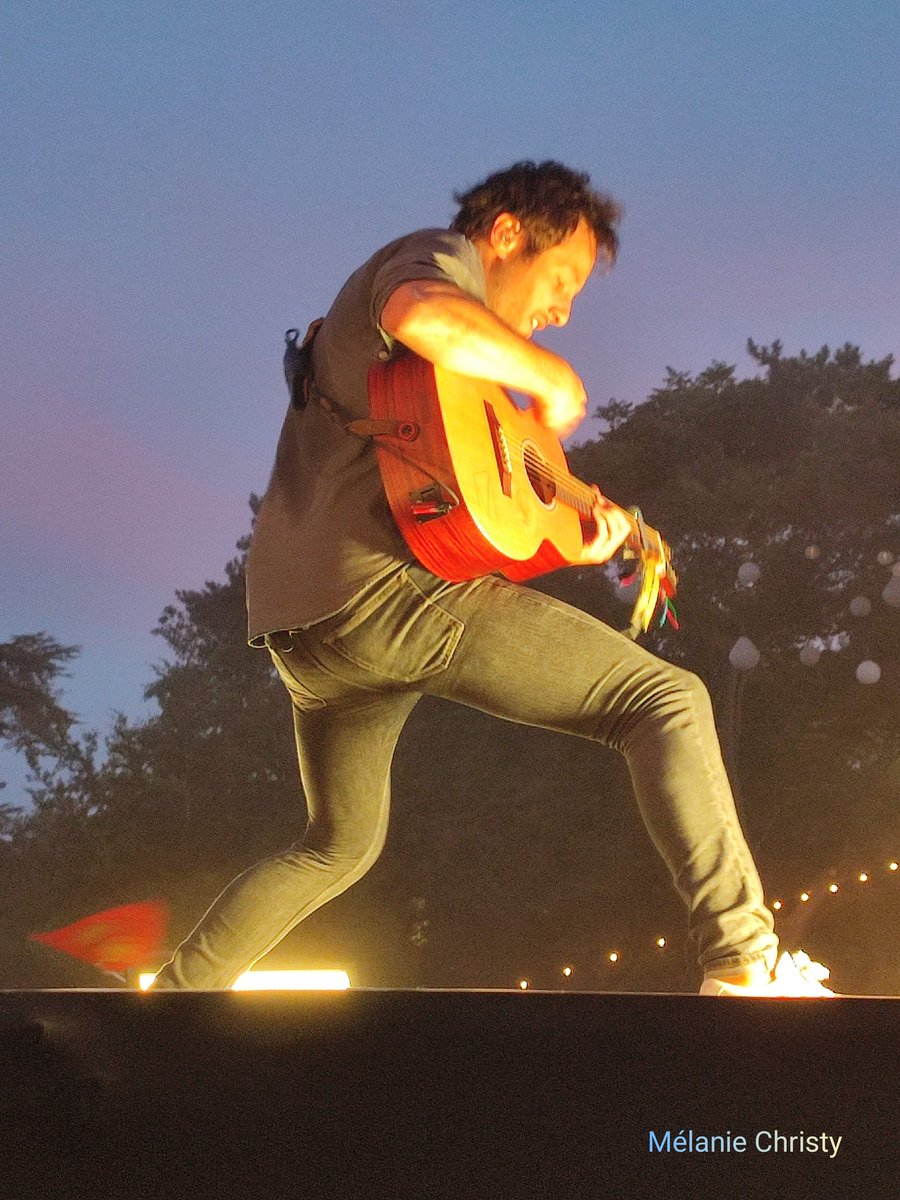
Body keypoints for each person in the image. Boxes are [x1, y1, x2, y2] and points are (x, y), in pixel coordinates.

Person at [150, 161, 831, 997]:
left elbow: (470, 524)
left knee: (337, 845)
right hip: (386, 598)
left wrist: (581, 538)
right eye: (564, 279)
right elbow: (424, 312)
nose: (563, 311)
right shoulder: (437, 260)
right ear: (506, 234)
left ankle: (172, 1002)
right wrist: (553, 376)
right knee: (666, 701)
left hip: (306, 628)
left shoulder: (455, 391)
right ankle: (744, 961)